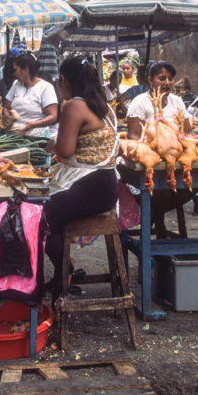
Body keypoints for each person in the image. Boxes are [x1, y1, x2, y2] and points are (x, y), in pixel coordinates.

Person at [42, 56, 119, 292]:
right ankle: (63, 272)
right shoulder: (103, 104)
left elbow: (66, 150)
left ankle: (65, 269)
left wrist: (52, 144)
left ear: (63, 80)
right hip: (106, 185)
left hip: (91, 187)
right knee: (45, 211)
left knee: (37, 217)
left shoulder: (75, 105)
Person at [125, 61, 193, 238]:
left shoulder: (177, 101)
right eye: (162, 78)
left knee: (191, 187)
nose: (167, 83)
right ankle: (158, 224)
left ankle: (154, 216)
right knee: (161, 190)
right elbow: (133, 136)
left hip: (175, 157)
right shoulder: (140, 102)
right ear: (150, 80)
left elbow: (187, 133)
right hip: (149, 159)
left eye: (170, 79)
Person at [2, 52, 59, 138]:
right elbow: (6, 106)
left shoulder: (45, 87)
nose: (14, 74)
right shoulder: (16, 84)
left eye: (15, 70)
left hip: (35, 138)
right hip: (13, 137)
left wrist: (34, 124)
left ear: (25, 69)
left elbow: (53, 116)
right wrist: (5, 113)